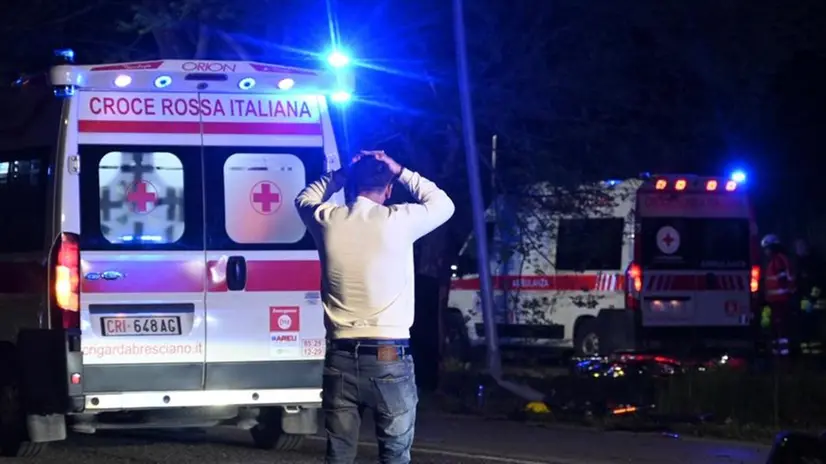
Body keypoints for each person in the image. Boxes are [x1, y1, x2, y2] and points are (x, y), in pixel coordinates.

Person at [295, 151, 455, 464]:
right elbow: (443, 204)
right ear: (389, 188)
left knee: (339, 455)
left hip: (340, 355)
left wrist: (340, 174)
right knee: (394, 455)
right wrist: (402, 170)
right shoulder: (399, 219)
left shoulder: (328, 220)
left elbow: (305, 197)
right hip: (388, 357)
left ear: (351, 187)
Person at [761, 234, 796, 357]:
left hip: (781, 300)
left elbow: (785, 279)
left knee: (782, 327)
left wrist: (788, 293)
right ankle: (778, 352)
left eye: (767, 248)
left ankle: (784, 354)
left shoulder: (779, 260)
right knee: (775, 327)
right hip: (774, 301)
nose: (765, 251)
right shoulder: (773, 260)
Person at [794, 239, 826, 356]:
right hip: (805, 302)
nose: (797, 250)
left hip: (816, 303)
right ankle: (807, 354)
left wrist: (812, 298)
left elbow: (819, 283)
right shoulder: (801, 263)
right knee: (805, 328)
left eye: (799, 247)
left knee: (815, 330)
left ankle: (817, 355)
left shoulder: (814, 263)